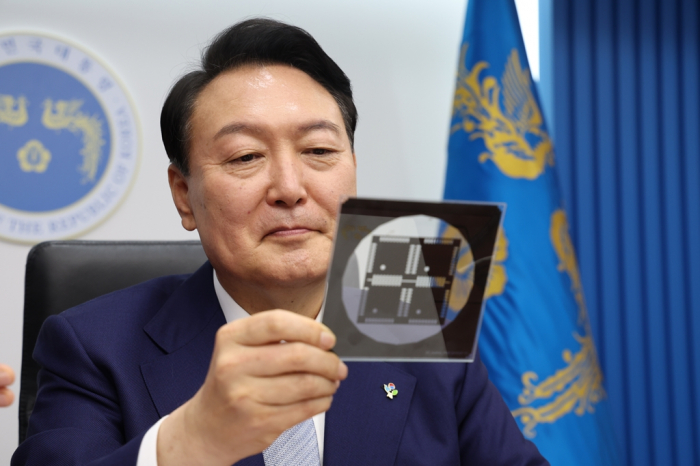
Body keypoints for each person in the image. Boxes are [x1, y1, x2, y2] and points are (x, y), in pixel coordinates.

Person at [13, 19, 548, 465]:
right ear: (183, 195)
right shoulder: (92, 347)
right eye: (246, 157)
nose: (291, 189)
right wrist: (189, 442)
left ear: (353, 173)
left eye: (318, 151)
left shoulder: (412, 324)